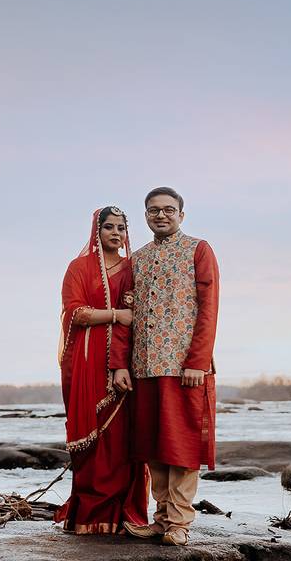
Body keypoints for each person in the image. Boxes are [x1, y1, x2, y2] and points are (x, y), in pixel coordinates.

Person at [110, 187, 220, 546]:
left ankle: (180, 523)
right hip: (143, 368)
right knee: (153, 446)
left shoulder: (198, 250)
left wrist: (198, 362)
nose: (161, 215)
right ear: (145, 216)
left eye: (168, 210)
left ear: (181, 215)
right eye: (154, 210)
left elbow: (208, 309)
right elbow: (125, 319)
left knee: (183, 445)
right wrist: (118, 365)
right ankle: (160, 519)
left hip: (185, 368)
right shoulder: (136, 260)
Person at [55, 206, 149, 534]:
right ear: (97, 231)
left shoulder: (134, 268)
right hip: (85, 364)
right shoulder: (79, 267)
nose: (115, 233)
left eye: (121, 227)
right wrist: (116, 315)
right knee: (91, 440)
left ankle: (124, 514)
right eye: (108, 227)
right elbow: (75, 312)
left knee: (124, 438)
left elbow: (142, 309)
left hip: (125, 362)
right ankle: (89, 516)